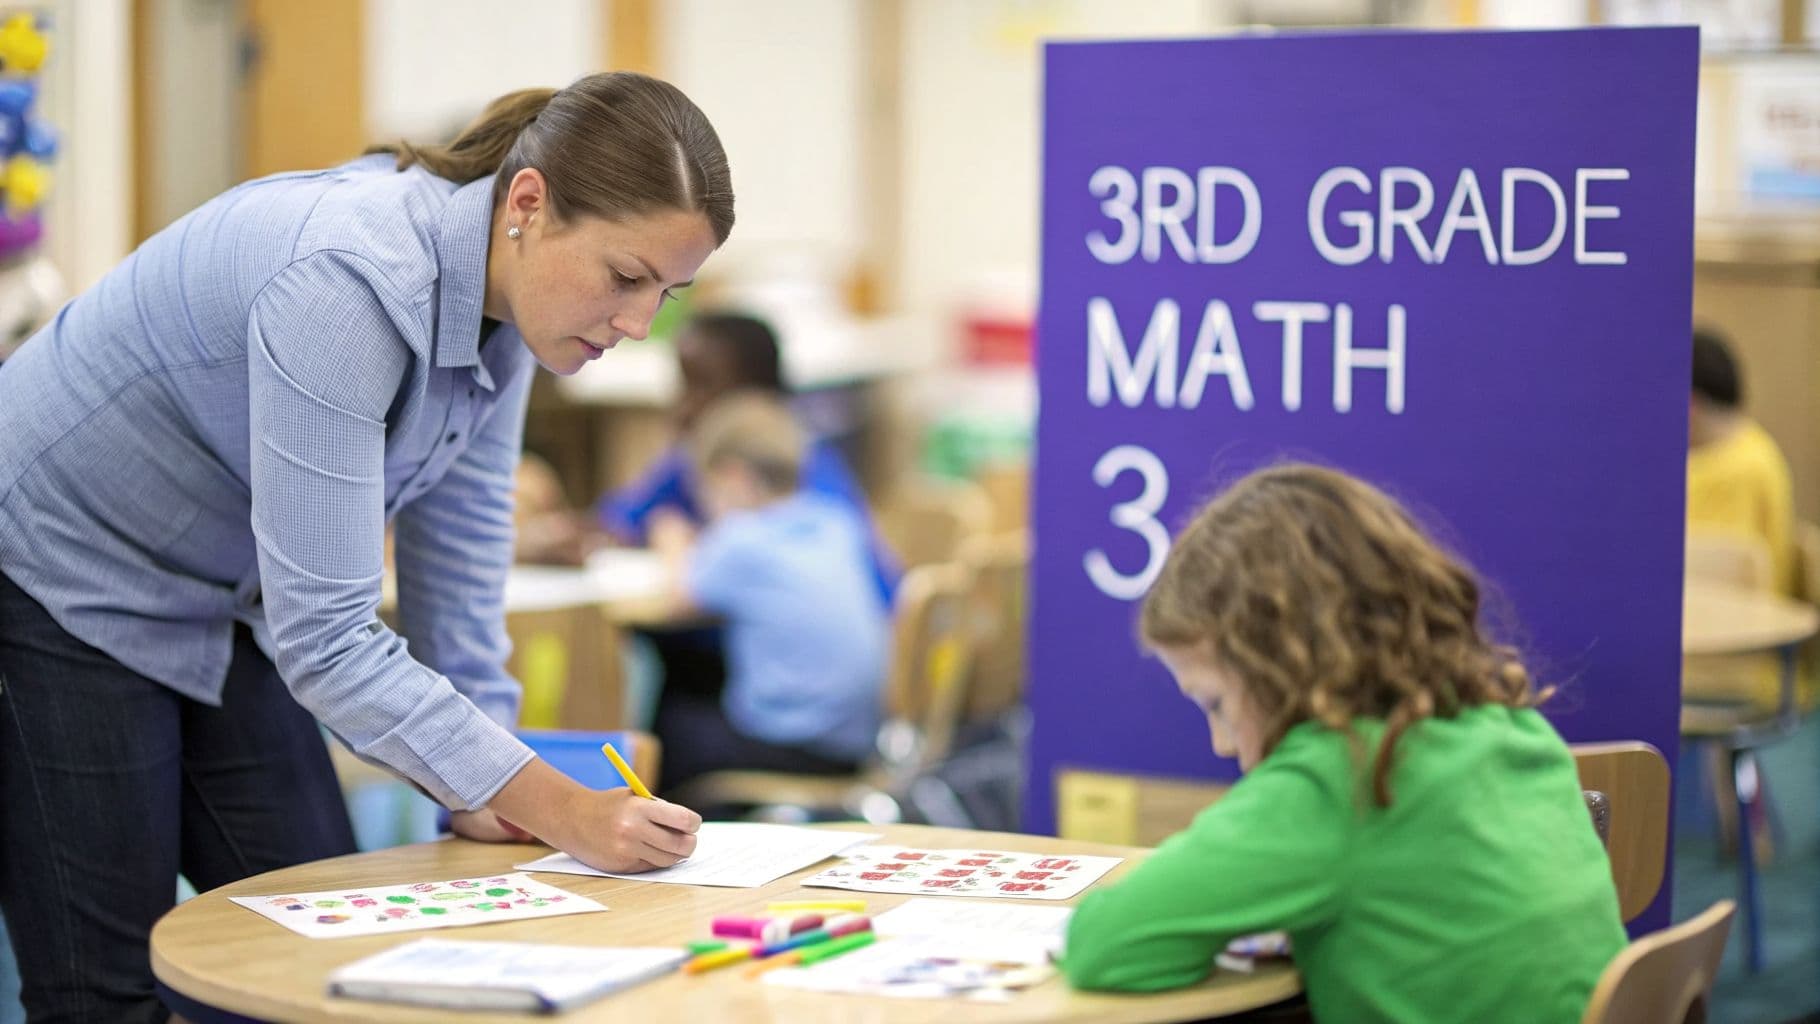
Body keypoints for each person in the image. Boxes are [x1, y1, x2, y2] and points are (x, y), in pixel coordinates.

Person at [0, 72, 729, 1023]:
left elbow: (459, 580)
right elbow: (331, 639)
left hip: (218, 598)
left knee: (336, 958)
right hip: (53, 572)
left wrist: (486, 789)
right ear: (529, 202)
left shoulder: (514, 315)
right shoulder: (347, 282)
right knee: (110, 993)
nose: (638, 325)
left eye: (666, 294)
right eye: (625, 278)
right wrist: (560, 806)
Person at [1061, 464, 1626, 1023]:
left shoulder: (1342, 778)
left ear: (1282, 665)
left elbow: (1104, 945)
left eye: (1216, 704)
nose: (1220, 745)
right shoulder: (1513, 730)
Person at [648, 392, 889, 792]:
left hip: (795, 745)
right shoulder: (834, 521)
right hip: (857, 741)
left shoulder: (740, 538)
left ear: (734, 478)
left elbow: (679, 599)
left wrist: (671, 539)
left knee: (669, 725)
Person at [598, 312, 898, 604]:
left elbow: (843, 587)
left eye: (702, 385)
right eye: (682, 385)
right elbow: (622, 519)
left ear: (759, 395)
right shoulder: (691, 458)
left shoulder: (807, 468)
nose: (683, 406)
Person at [1687, 327, 1796, 596]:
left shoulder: (1744, 467)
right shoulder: (1731, 450)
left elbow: (1716, 565)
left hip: (1742, 618)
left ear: (1692, 405)